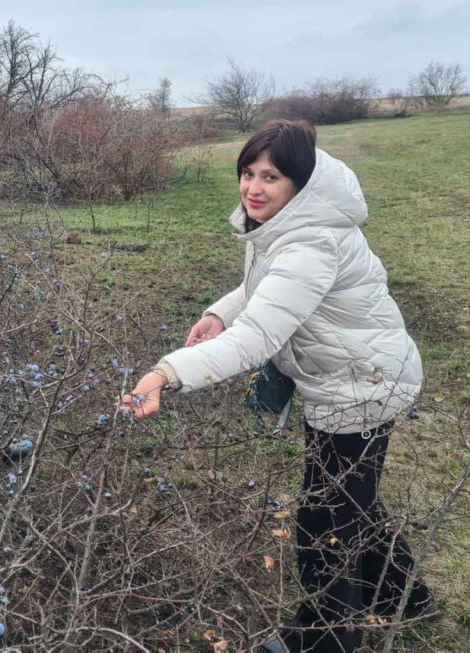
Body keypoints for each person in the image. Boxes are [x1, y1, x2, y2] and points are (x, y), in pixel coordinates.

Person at [118, 120, 433, 652]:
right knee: (350, 501)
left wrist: (165, 373)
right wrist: (219, 313)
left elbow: (258, 337)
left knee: (322, 520)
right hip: (348, 377)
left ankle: (326, 637)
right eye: (247, 173)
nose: (254, 188)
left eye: (271, 176)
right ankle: (405, 594)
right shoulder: (288, 224)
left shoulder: (311, 241)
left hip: (361, 387)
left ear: (300, 183)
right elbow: (261, 291)